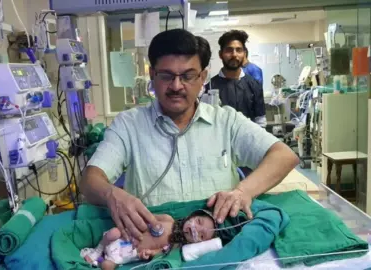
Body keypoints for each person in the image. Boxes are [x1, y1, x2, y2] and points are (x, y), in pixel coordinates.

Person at [79, 29, 298, 244]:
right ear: (152, 75)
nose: (176, 86)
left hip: (217, 247)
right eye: (166, 76)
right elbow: (90, 179)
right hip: (155, 243)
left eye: (187, 76)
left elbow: (283, 156)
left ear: (202, 77)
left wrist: (243, 192)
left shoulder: (226, 121)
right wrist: (112, 195)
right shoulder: (129, 125)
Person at [80, 210, 217, 269]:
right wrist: (136, 228)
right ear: (191, 216)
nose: (195, 230)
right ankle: (97, 251)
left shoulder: (176, 245)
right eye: (198, 221)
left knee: (107, 266)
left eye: (202, 236)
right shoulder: (169, 220)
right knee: (112, 233)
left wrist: (149, 254)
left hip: (130, 253)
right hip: (126, 237)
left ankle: (101, 262)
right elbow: (147, 218)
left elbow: (160, 252)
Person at [208, 30, 267, 128]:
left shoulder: (254, 85)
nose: (234, 54)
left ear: (244, 53)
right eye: (229, 50)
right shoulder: (210, 87)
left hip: (248, 140)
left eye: (239, 50)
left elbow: (260, 121)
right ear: (220, 54)